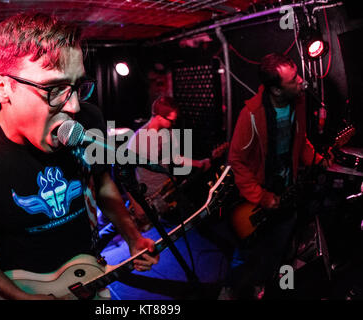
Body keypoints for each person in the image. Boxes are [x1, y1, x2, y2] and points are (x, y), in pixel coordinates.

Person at [0, 12, 159, 300]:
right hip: (22, 285)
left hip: (87, 272)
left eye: (78, 86)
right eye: (54, 89)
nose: (75, 107)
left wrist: (133, 237)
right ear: (2, 88)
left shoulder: (89, 121)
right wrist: (20, 297)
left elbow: (103, 183)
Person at [222, 53, 333, 299]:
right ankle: (231, 290)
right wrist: (260, 196)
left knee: (281, 247)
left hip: (287, 191)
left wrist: (316, 159)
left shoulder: (299, 102)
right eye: (293, 79)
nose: (301, 81)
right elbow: (236, 160)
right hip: (257, 198)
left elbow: (299, 139)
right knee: (247, 252)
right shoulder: (251, 114)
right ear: (276, 90)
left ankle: (267, 287)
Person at [126, 95, 227, 222]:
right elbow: (123, 174)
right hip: (149, 199)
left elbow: (175, 157)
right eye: (171, 120)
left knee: (194, 222)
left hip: (168, 192)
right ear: (158, 117)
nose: (173, 124)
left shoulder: (167, 132)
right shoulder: (138, 139)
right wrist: (136, 204)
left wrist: (199, 163)